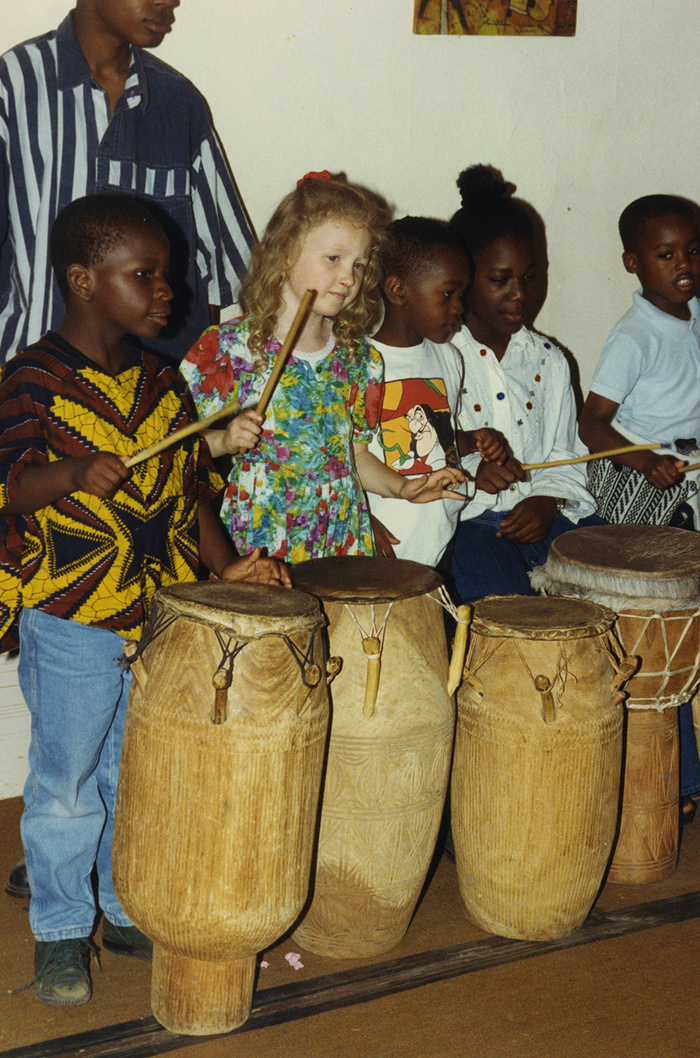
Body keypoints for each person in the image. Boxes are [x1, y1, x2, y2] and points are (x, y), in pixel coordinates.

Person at [0, 194, 288, 1007]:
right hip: (72, 618)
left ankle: (124, 904)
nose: (169, 291)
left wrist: (226, 569)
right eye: (147, 274)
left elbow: (190, 493)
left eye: (167, 274)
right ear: (84, 280)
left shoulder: (163, 380)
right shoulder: (32, 379)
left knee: (134, 771)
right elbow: (10, 485)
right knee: (66, 780)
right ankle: (61, 928)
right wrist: (71, 473)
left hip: (155, 617)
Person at [180, 175, 466, 565]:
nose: (349, 278)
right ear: (284, 255)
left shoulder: (359, 359)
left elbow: (355, 457)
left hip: (340, 534)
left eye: (359, 264)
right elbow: (176, 446)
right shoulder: (230, 347)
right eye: (334, 258)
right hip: (263, 536)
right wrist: (225, 441)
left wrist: (403, 488)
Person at [0, 0, 254, 364]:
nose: (169, 2)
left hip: (153, 388)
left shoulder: (179, 104)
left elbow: (220, 275)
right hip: (32, 374)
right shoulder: (13, 86)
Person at [578, 193, 700, 819]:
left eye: (693, 251)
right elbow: (591, 424)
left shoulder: (695, 317)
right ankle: (676, 778)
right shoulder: (634, 336)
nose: (684, 265)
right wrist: (646, 461)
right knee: (662, 620)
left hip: (686, 473)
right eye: (666, 254)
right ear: (633, 263)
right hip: (637, 480)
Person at [444, 164, 600, 605]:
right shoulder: (439, 358)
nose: (521, 293)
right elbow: (418, 453)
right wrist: (474, 474)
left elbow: (566, 455)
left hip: (545, 522)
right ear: (463, 280)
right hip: (468, 527)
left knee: (611, 586)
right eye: (500, 280)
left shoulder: (550, 361)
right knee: (503, 609)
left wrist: (547, 499)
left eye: (530, 276)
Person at [365, 215, 507, 567]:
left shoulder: (449, 358)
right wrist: (359, 517)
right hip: (380, 547)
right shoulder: (359, 364)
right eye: (447, 294)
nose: (459, 306)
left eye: (461, 294)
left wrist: (472, 440)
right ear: (398, 291)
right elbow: (341, 457)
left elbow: (440, 441)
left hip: (437, 540)